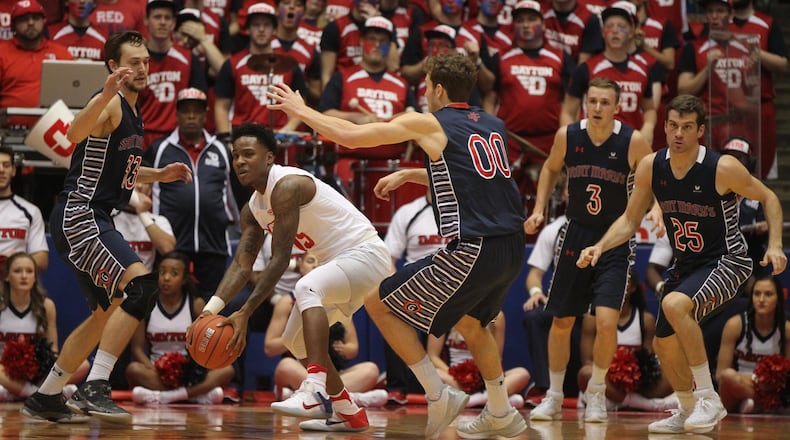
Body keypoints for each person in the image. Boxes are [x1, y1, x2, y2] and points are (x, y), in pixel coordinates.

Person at [268, 51, 528, 439]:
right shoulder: (493, 124)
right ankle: (502, 412)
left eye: (426, 85)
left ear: (438, 89)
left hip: (474, 244)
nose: (424, 92)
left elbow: (350, 137)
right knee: (474, 324)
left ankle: (438, 394)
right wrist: (415, 173)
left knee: (379, 300)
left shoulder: (429, 122)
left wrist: (302, 109)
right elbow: (474, 177)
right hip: (511, 246)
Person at [577, 94, 787, 434]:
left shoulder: (722, 168)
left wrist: (776, 244)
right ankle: (688, 408)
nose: (678, 133)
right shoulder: (651, 166)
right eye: (673, 125)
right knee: (663, 342)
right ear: (665, 126)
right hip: (687, 264)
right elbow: (630, 220)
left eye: (687, 127)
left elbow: (769, 197)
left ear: (700, 131)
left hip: (727, 260)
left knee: (675, 305)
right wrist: (600, 246)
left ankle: (709, 399)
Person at [21, 30, 193, 424]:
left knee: (106, 312)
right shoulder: (112, 102)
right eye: (134, 62)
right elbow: (73, 133)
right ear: (114, 67)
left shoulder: (133, 110)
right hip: (80, 214)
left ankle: (47, 395)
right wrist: (102, 94)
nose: (143, 68)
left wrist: (159, 174)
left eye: (147, 61)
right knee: (141, 286)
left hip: (94, 216)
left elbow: (122, 175)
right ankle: (96, 385)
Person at [196, 122, 391, 432]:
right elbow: (241, 266)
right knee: (294, 340)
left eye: (249, 154)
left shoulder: (286, 186)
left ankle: (314, 388)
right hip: (341, 264)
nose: (240, 162)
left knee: (306, 285)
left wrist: (245, 312)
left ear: (270, 158)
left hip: (366, 254)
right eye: (235, 156)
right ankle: (347, 410)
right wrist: (209, 312)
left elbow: (281, 259)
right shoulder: (253, 210)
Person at [525, 76, 655, 424]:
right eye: (592, 101)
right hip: (575, 232)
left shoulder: (633, 141)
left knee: (607, 322)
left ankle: (596, 392)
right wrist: (540, 208)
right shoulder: (568, 135)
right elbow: (551, 168)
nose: (597, 108)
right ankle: (554, 396)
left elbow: (654, 179)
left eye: (604, 102)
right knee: (562, 319)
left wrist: (654, 208)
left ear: (617, 106)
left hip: (614, 238)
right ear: (586, 102)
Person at [146, 88, 238, 301]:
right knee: (169, 302)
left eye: (196, 111)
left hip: (214, 242)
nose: (191, 116)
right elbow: (142, 189)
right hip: (173, 244)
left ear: (205, 115)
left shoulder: (222, 150)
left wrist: (236, 228)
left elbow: (232, 194)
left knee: (211, 305)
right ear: (177, 114)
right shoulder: (159, 149)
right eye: (185, 111)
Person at [264, 251, 385, 407]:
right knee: (285, 366)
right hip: (303, 369)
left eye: (321, 262)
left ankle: (332, 397)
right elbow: (269, 347)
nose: (316, 265)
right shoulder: (287, 301)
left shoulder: (339, 300)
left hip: (335, 372)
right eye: (311, 261)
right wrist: (299, 338)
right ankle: (347, 398)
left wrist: (343, 348)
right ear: (301, 267)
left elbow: (353, 347)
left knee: (371, 369)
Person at [127, 251, 233, 405]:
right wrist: (155, 371)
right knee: (133, 369)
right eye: (162, 272)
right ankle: (194, 396)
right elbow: (136, 349)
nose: (166, 278)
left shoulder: (196, 305)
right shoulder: (147, 305)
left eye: (174, 273)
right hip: (156, 371)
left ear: (184, 279)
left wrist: (197, 371)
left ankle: (164, 397)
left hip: (190, 374)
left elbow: (209, 341)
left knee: (227, 370)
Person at [576, 269, 676, 412]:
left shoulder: (646, 320)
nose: (617, 287)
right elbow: (587, 361)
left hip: (637, 385)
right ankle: (645, 405)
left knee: (675, 373)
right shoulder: (592, 318)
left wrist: (631, 374)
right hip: (605, 385)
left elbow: (650, 362)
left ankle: (631, 401)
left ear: (633, 287)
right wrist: (616, 372)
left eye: (623, 283)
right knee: (586, 373)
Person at [559, 1, 657, 146]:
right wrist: (571, 140)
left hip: (629, 146)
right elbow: (568, 110)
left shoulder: (643, 69)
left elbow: (649, 109)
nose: (615, 31)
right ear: (602, 33)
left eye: (622, 26)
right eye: (610, 26)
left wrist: (648, 128)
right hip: (592, 145)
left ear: (631, 32)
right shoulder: (586, 69)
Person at [0, 253, 89, 401]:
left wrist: (39, 366)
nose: (24, 276)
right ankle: (41, 394)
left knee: (82, 364)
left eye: (29, 271)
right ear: (7, 276)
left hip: (37, 373)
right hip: (5, 372)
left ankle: (29, 391)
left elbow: (52, 350)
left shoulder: (46, 306)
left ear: (35, 277)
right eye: (17, 271)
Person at [716, 274, 789, 414]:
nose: (761, 300)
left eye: (768, 294)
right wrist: (755, 379)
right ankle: (752, 404)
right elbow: (720, 374)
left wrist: (769, 382)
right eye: (757, 294)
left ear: (778, 298)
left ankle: (751, 404)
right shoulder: (735, 325)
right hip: (736, 387)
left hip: (770, 389)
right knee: (728, 376)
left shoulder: (786, 330)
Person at [427, 311, 530, 409]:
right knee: (435, 374)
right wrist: (458, 376)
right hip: (455, 379)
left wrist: (483, 378)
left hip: (486, 378)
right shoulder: (445, 314)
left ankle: (473, 401)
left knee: (522, 374)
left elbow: (497, 358)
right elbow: (433, 356)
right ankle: (497, 399)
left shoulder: (497, 316)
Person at [140, 0, 208, 148]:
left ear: (174, 23)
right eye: (157, 17)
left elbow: (199, 100)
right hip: (142, 136)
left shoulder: (188, 58)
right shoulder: (137, 59)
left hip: (176, 138)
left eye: (167, 18)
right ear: (146, 20)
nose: (162, 22)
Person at [0, 0, 73, 129]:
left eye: (36, 18)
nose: (31, 23)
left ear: (44, 21)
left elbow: (74, 94)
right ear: (13, 25)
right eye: (24, 19)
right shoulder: (2, 52)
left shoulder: (62, 54)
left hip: (55, 132)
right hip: (8, 130)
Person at [0, 145, 49, 279]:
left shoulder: (30, 211)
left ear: (13, 170)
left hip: (15, 288)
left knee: (46, 302)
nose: (1, 170)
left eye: (6, 165)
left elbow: (42, 259)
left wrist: (15, 262)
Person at [113, 180, 176, 272]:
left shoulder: (159, 221)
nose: (139, 186)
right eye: (134, 181)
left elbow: (168, 249)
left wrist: (142, 213)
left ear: (150, 190)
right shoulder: (110, 217)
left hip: (144, 282)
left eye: (145, 182)